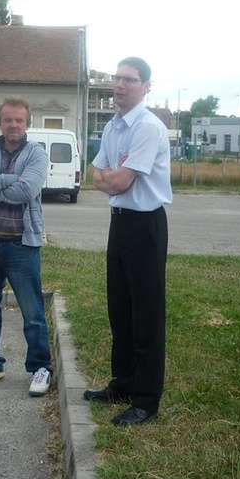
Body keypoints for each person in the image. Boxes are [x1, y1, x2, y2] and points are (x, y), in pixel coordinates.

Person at [83, 57, 172, 426]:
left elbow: (118, 182)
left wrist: (112, 175)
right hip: (119, 223)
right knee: (119, 308)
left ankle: (146, 401)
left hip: (145, 225)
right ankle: (122, 383)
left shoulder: (148, 128)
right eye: (116, 77)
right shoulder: (112, 126)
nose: (119, 84)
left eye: (129, 79)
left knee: (146, 314)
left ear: (146, 86)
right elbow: (95, 177)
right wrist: (112, 174)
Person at [0, 97, 53, 397]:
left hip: (21, 246)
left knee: (32, 313)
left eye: (19, 120)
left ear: (27, 123)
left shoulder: (37, 153)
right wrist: (7, 179)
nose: (13, 125)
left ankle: (41, 367)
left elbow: (27, 190)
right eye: (8, 120)